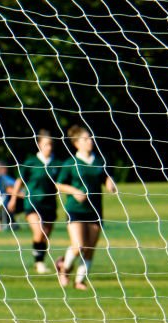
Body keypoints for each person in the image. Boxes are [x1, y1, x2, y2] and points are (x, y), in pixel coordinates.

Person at [55, 124, 117, 289]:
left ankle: (79, 281)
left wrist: (110, 183)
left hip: (95, 209)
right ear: (76, 143)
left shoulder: (99, 160)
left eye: (90, 138)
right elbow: (59, 184)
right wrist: (75, 191)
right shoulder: (71, 162)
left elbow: (106, 177)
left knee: (90, 247)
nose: (90, 141)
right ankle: (64, 268)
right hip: (75, 209)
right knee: (78, 245)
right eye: (85, 139)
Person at [7, 129, 62, 274]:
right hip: (32, 203)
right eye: (45, 144)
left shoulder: (57, 163)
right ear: (39, 145)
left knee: (45, 236)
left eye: (50, 144)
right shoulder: (31, 162)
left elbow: (62, 183)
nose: (48, 147)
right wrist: (13, 198)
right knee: (39, 232)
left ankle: (40, 261)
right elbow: (20, 181)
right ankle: (38, 264)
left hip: (50, 204)